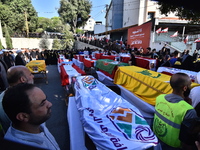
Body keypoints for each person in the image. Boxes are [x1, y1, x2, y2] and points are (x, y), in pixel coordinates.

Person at [2, 83, 60, 150]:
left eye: (46, 99)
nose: (50, 104)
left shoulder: (35, 122)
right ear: (23, 116)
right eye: (42, 104)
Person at [153, 73, 197, 150]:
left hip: (156, 140)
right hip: (173, 147)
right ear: (185, 88)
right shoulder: (188, 110)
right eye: (190, 85)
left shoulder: (159, 98)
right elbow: (188, 141)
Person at [0, 65, 34, 132]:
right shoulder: (23, 101)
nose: (33, 76)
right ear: (23, 79)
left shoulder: (2, 96)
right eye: (30, 74)